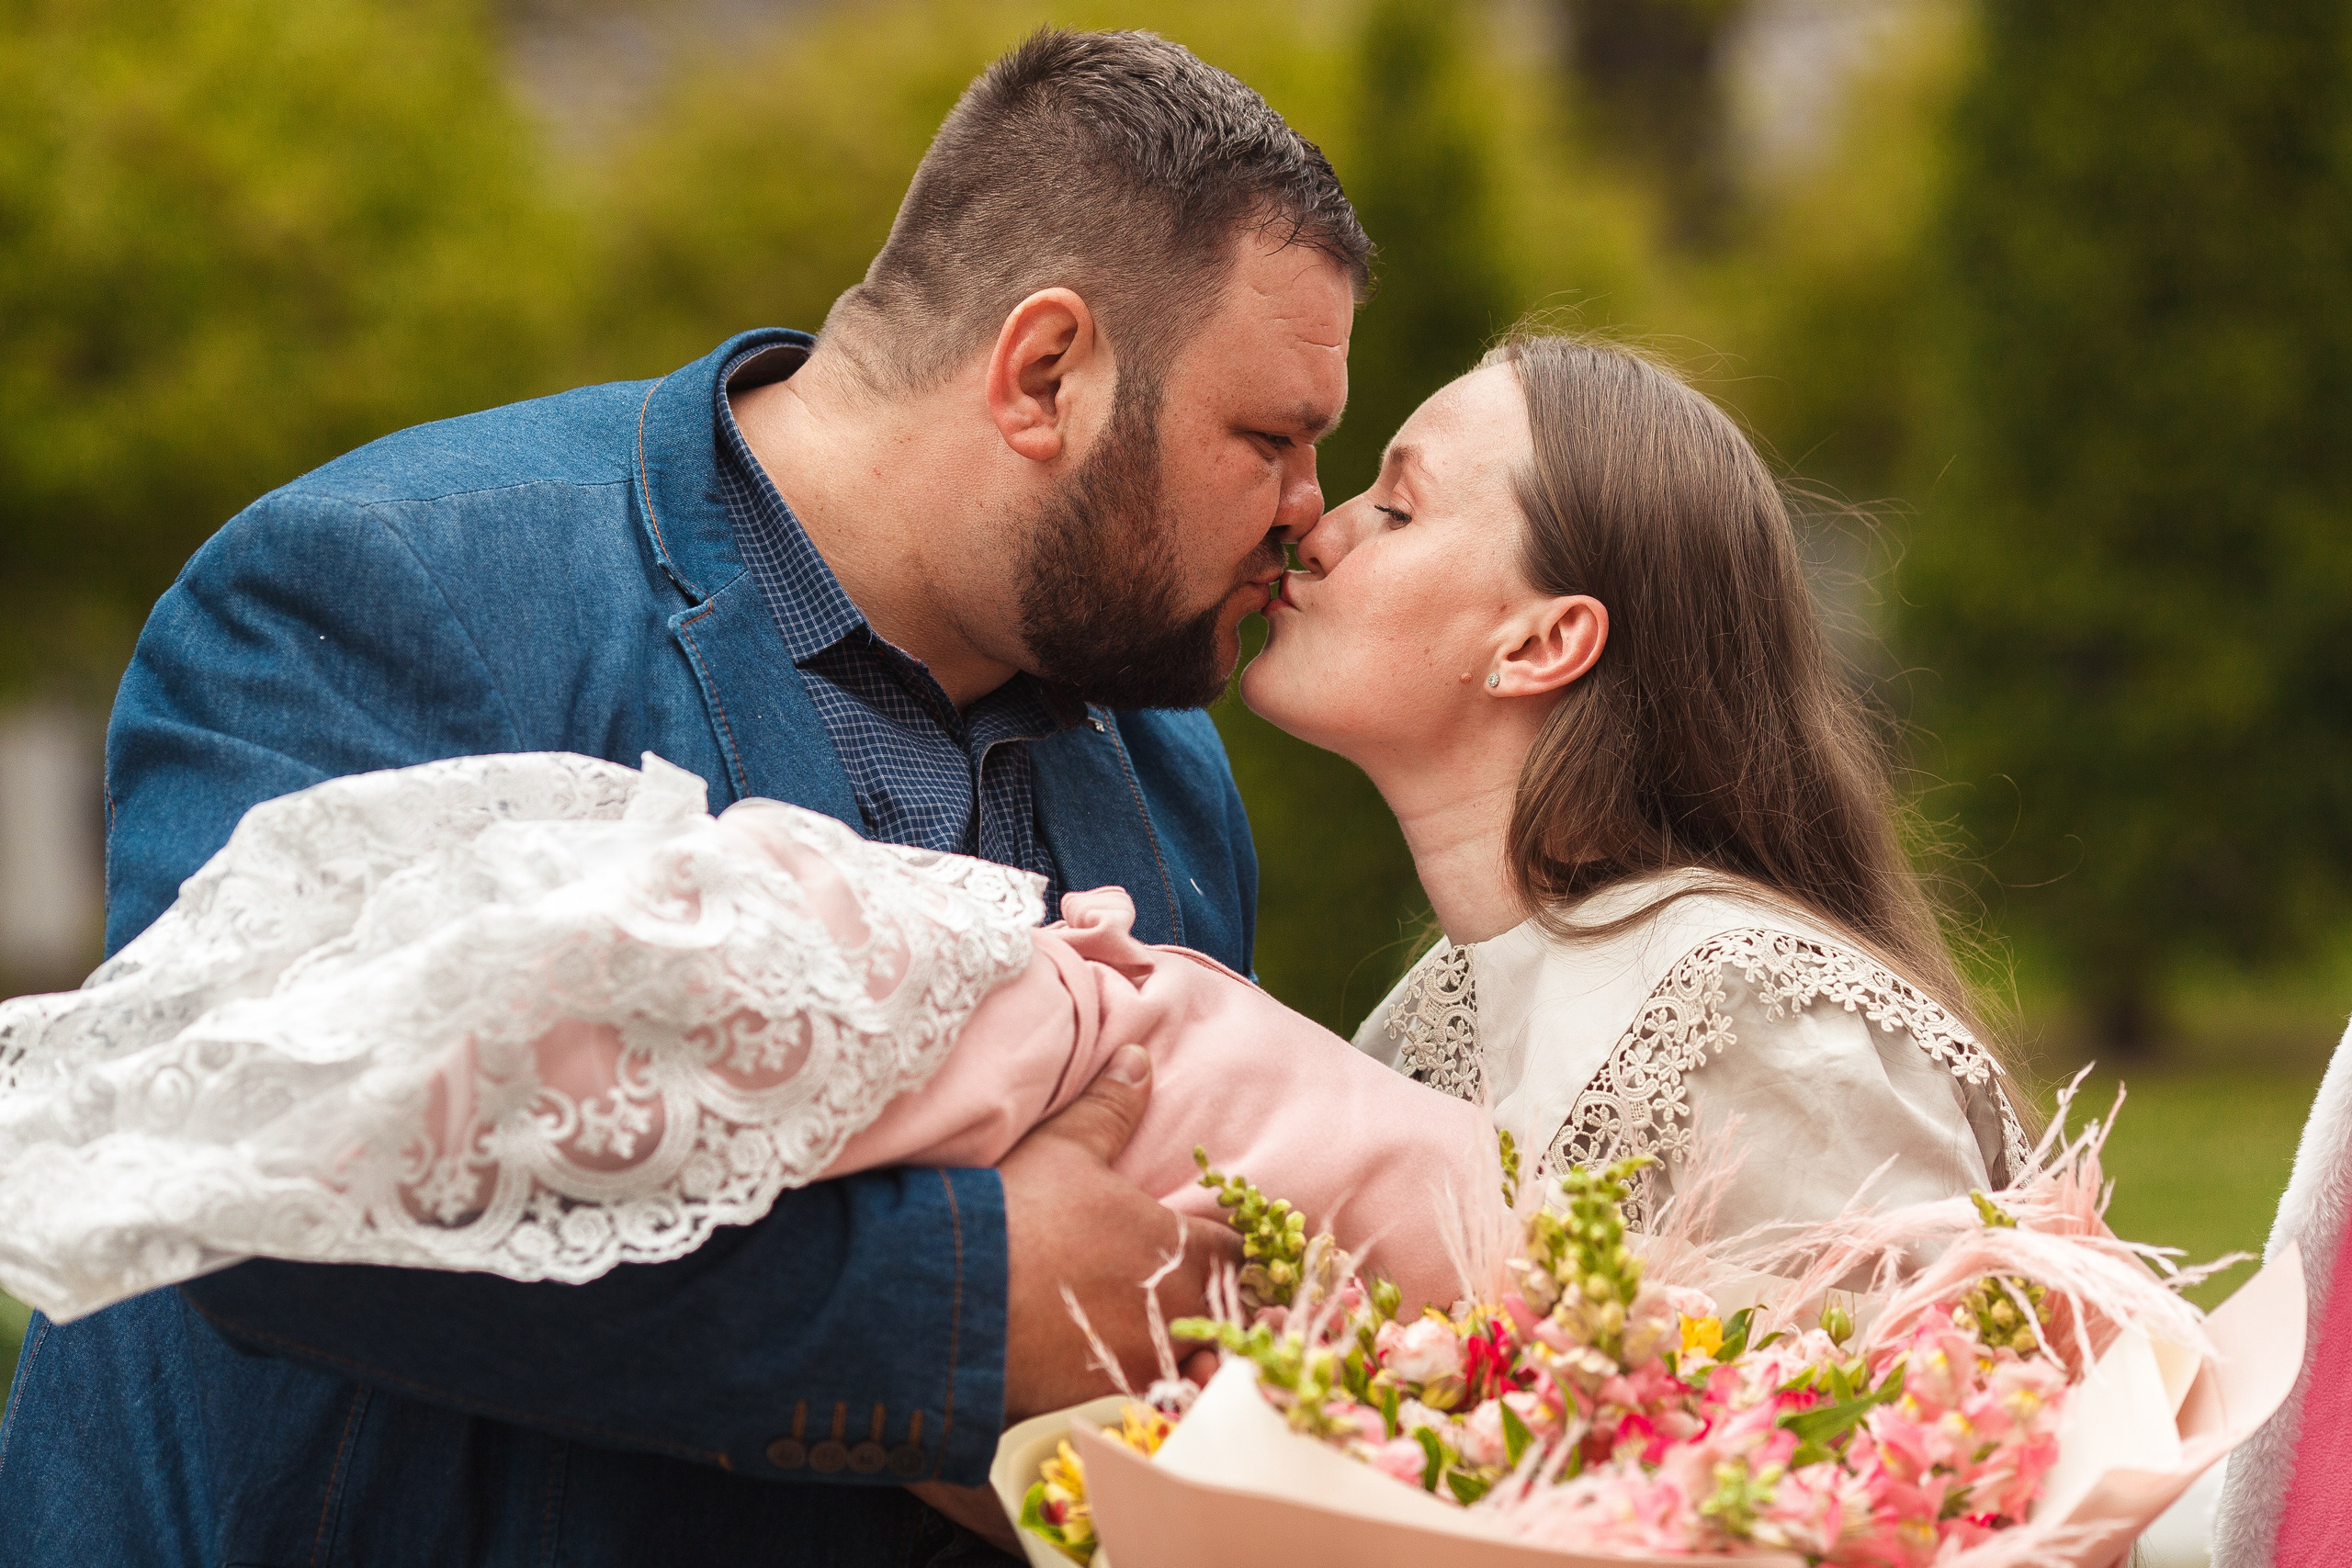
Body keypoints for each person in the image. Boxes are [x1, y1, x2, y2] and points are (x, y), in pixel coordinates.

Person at [0, 28, 1364, 1568]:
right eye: (1270, 439)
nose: (1311, 516)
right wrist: (970, 1300)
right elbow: (245, 1192)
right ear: (1045, 373)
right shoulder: (380, 591)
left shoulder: (1173, 782)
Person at [1244, 333, 2027, 1232]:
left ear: (1542, 643)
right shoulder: (1449, 1005)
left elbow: (1916, 1367)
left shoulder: (1755, 1025)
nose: (1316, 529)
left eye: (1395, 510)